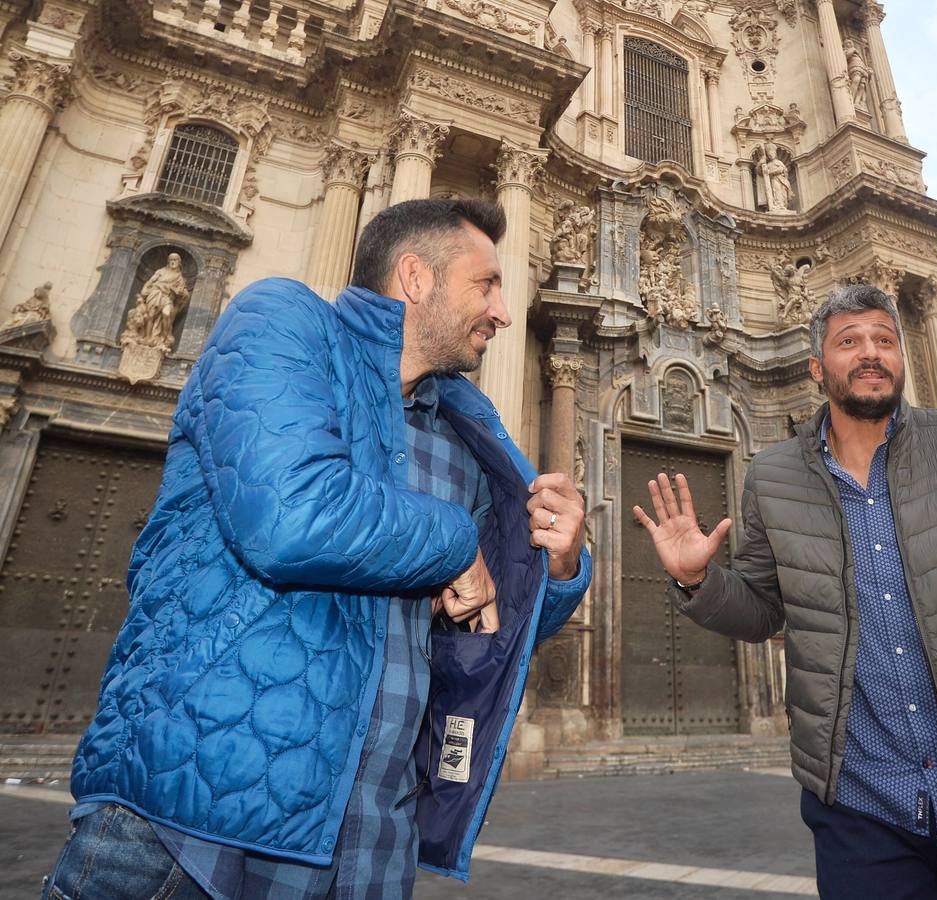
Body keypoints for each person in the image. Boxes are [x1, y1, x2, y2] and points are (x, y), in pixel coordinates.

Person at [44, 198, 592, 898]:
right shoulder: (281, 324)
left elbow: (486, 632)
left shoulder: (461, 439)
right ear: (415, 276)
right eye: (486, 284)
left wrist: (561, 562)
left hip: (367, 844)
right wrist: (455, 542)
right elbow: (286, 516)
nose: (504, 313)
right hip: (193, 824)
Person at [632, 284, 937, 900]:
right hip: (862, 807)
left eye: (885, 339)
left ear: (904, 357)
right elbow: (761, 610)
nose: (870, 353)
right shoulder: (773, 478)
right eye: (849, 342)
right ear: (816, 368)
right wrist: (697, 579)